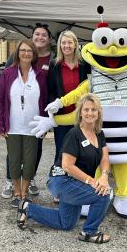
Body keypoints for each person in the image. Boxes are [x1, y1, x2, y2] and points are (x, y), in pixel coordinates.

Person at [17, 94, 112, 243]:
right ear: (80, 112)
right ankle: (89, 232)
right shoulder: (74, 134)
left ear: (98, 113)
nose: (90, 113)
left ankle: (28, 208)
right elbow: (67, 166)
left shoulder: (99, 134)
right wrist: (92, 181)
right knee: (103, 195)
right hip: (62, 180)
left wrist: (104, 176)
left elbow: (105, 158)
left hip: (77, 182)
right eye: (86, 109)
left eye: (94, 110)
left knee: (65, 223)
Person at [1, 23, 53, 199]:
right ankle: (15, 189)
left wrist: (45, 123)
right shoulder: (8, 72)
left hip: (34, 124)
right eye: (23, 50)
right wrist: (0, 124)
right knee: (14, 160)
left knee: (31, 160)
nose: (26, 53)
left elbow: (45, 99)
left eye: (29, 51)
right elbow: (0, 98)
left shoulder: (43, 70)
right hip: (13, 125)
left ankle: (25, 190)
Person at [49, 30, 91, 166]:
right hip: (62, 117)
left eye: (69, 42)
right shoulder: (54, 65)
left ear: (75, 45)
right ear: (59, 45)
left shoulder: (85, 66)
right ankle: (60, 182)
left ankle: (81, 182)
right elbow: (50, 90)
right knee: (62, 150)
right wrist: (53, 109)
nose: (66, 45)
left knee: (83, 151)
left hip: (82, 117)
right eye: (63, 42)